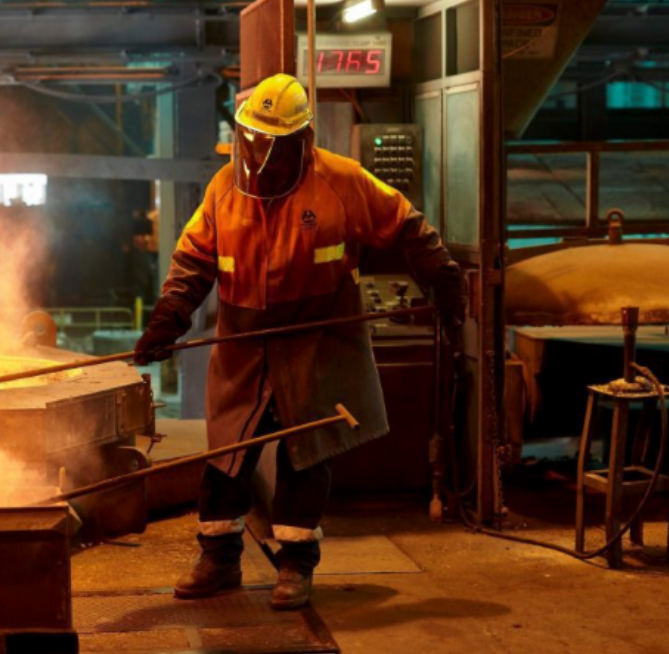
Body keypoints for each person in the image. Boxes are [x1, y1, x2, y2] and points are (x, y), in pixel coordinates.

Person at [134, 74, 465, 610]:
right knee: (227, 453)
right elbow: (194, 260)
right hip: (243, 345)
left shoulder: (341, 181)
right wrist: (169, 317)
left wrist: (444, 281)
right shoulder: (225, 188)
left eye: (272, 142)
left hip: (316, 341)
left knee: (304, 455)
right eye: (252, 138)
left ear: (301, 140)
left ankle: (295, 565)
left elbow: (407, 228)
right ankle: (218, 558)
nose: (260, 152)